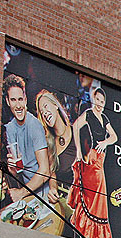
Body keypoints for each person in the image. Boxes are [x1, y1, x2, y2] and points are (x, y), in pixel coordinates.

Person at [71, 86, 117, 238]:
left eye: (102, 101)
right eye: (97, 100)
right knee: (95, 196)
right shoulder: (89, 114)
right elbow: (75, 127)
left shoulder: (104, 118)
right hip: (92, 158)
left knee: (100, 196)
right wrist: (78, 151)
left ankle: (94, 237)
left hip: (100, 158)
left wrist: (105, 142)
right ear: (93, 99)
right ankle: (89, 233)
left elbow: (114, 137)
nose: (99, 103)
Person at [2, 74, 50, 203]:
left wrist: (21, 193)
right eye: (13, 100)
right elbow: (19, 171)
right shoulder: (10, 128)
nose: (18, 105)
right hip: (28, 195)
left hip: (44, 195)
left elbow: (45, 171)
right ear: (7, 101)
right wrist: (12, 170)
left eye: (20, 99)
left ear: (25, 99)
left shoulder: (34, 125)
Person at [35, 89, 77, 226]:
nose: (45, 113)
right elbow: (52, 173)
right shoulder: (49, 143)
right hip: (64, 204)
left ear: (55, 105)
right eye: (42, 112)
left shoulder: (77, 132)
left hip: (83, 204)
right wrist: (53, 188)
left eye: (46, 106)